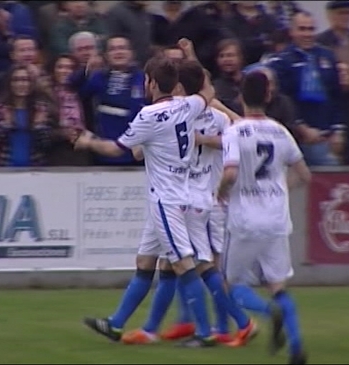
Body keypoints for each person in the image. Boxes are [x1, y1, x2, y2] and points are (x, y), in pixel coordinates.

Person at [74, 55, 219, 348]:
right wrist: (192, 61)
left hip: (167, 200)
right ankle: (115, 325)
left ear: (150, 83)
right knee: (145, 261)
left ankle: (205, 332)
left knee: (182, 264)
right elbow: (208, 92)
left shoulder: (149, 115)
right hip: (173, 194)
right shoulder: (187, 105)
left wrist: (88, 141)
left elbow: (116, 149)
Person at [125, 59, 257, 347]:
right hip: (190, 197)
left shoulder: (176, 117)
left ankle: (231, 324)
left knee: (199, 266)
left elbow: (137, 152)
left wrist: (201, 139)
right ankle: (156, 327)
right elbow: (232, 130)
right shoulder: (208, 116)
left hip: (194, 199)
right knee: (172, 265)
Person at [217, 71, 311, 365]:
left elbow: (231, 172)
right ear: (268, 96)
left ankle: (269, 312)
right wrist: (281, 188)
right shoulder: (281, 131)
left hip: (245, 219)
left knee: (230, 286)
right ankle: (296, 348)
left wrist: (220, 192)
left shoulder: (235, 131)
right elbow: (304, 175)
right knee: (278, 285)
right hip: (276, 219)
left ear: (240, 97)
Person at [268, 11, 344, 166]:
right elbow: (281, 101)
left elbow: (337, 96)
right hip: (293, 139)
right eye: (302, 29)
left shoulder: (328, 56)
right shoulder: (281, 61)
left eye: (311, 29)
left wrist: (338, 130)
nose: (307, 34)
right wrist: (301, 127)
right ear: (292, 31)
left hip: (326, 138)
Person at [69, 35, 146, 166]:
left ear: (132, 53)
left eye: (122, 48)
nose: (118, 52)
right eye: (113, 49)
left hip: (137, 152)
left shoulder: (143, 78)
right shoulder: (99, 77)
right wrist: (87, 69)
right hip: (104, 150)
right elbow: (74, 87)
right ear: (106, 55)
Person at [0, 64, 55, 167]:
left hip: (34, 167)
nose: (21, 84)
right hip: (2, 166)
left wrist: (39, 126)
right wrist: (5, 125)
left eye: (25, 80)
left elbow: (46, 144)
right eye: (16, 80)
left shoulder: (40, 109)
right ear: (9, 83)